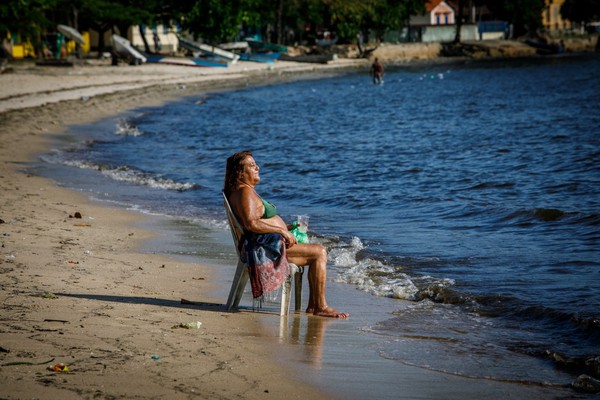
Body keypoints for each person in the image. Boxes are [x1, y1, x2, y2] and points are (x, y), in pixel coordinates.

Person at [224, 150, 349, 319]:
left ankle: (314, 305)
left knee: (317, 252)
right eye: (252, 165)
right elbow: (250, 223)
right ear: (240, 172)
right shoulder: (244, 192)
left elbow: (255, 221)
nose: (257, 167)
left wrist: (288, 227)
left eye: (256, 164)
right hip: (264, 249)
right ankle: (320, 306)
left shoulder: (240, 191)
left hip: (263, 243)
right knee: (319, 252)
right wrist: (281, 230)